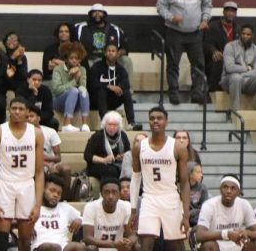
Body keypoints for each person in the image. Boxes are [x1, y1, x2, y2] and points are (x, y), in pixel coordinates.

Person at [0, 97, 45, 251]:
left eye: (21, 109)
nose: (17, 111)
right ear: (9, 111)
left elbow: (39, 172)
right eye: (14, 108)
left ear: (27, 112)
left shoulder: (37, 134)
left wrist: (38, 205)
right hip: (5, 183)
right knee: (1, 241)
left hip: (27, 184)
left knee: (25, 241)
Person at [129, 106, 190, 251]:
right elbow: (136, 177)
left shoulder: (178, 147)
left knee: (175, 246)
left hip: (171, 198)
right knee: (146, 243)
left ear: (166, 122)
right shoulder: (139, 146)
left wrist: (186, 214)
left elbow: (184, 182)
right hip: (149, 198)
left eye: (159, 118)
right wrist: (133, 211)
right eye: (152, 118)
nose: (155, 121)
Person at [156, 0, 213, 105]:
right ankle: (174, 93)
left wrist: (205, 20)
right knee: (173, 64)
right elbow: (160, 7)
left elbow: (207, 5)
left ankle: (197, 94)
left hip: (195, 33)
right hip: (175, 33)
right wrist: (171, 17)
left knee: (198, 65)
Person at [195, 174, 256, 251]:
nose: (228, 191)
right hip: (216, 244)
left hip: (238, 244)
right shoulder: (209, 205)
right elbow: (200, 234)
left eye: (233, 188)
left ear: (238, 192)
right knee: (208, 245)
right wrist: (226, 234)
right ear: (220, 190)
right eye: (225, 187)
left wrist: (246, 233)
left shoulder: (244, 204)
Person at [220, 25, 256, 112]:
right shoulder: (230, 46)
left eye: (248, 34)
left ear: (252, 36)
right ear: (240, 34)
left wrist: (241, 72)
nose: (245, 36)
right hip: (229, 81)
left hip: (248, 82)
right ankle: (235, 110)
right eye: (243, 34)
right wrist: (247, 69)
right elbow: (229, 68)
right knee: (236, 77)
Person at [89, 44, 140, 131]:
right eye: (108, 51)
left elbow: (126, 84)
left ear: (117, 54)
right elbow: (92, 84)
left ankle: (131, 123)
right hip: (97, 100)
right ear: (105, 53)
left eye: (113, 51)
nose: (111, 53)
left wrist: (119, 87)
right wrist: (109, 86)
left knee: (126, 92)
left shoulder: (121, 69)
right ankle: (104, 122)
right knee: (102, 91)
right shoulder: (97, 67)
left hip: (112, 100)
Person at [75, 4, 132, 78]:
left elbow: (125, 46)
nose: (97, 14)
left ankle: (127, 89)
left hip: (109, 59)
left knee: (126, 60)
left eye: (100, 12)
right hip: (89, 59)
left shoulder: (114, 29)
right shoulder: (80, 27)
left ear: (104, 14)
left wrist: (118, 54)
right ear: (90, 14)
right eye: (94, 12)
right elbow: (73, 43)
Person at [81, 178, 136, 251]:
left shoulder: (126, 206)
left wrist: (129, 242)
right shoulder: (91, 207)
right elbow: (87, 238)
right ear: (101, 194)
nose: (110, 196)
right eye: (107, 192)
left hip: (119, 248)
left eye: (114, 192)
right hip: (98, 248)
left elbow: (132, 235)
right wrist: (113, 244)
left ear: (119, 193)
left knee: (136, 246)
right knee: (91, 248)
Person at [32, 175, 84, 251]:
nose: (56, 195)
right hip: (40, 246)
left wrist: (79, 220)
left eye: (59, 193)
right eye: (52, 190)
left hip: (64, 247)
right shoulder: (33, 207)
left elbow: (86, 219)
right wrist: (27, 226)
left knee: (78, 247)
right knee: (53, 247)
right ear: (42, 190)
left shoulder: (65, 208)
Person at [29, 106, 73, 196]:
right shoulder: (22, 134)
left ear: (39, 118)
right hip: (32, 166)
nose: (29, 119)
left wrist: (47, 161)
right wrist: (45, 164)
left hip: (50, 163)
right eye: (27, 117)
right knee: (39, 171)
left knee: (66, 168)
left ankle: (65, 197)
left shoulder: (50, 132)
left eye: (31, 116)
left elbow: (58, 157)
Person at [52, 43, 91, 132]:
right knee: (73, 90)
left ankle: (85, 124)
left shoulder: (82, 69)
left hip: (75, 101)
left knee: (83, 91)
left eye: (76, 58)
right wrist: (75, 80)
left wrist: (78, 73)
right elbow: (56, 90)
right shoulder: (58, 69)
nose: (74, 61)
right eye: (71, 58)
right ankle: (66, 124)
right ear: (66, 59)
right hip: (58, 101)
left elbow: (83, 87)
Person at [202, 2, 239, 93]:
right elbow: (207, 43)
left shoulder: (238, 28)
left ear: (235, 14)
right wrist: (214, 51)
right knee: (218, 60)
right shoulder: (214, 26)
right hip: (217, 57)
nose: (230, 13)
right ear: (223, 12)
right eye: (228, 11)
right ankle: (213, 92)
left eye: (233, 11)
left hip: (233, 59)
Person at [85, 112, 132, 182]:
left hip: (118, 164)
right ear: (105, 125)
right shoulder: (98, 136)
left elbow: (128, 152)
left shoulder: (123, 135)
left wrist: (122, 156)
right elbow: (87, 155)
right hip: (98, 165)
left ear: (119, 126)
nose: (112, 127)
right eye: (109, 124)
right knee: (111, 170)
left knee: (126, 170)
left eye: (115, 125)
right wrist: (104, 160)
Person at [188, 163, 209, 227]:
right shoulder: (181, 187)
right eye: (198, 172)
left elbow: (204, 207)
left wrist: (192, 213)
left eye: (201, 172)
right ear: (190, 174)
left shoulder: (202, 188)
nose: (201, 175)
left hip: (197, 219)